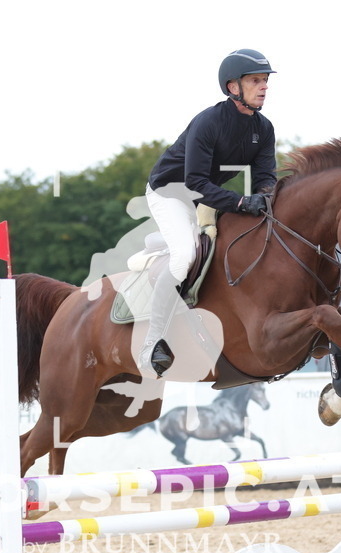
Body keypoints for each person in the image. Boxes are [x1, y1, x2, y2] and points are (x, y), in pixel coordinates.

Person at [140, 48, 278, 377]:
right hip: (170, 191)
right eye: (256, 81)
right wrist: (243, 203)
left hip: (204, 197)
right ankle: (151, 343)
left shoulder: (264, 129)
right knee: (185, 255)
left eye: (265, 81)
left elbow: (265, 181)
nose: (264, 87)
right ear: (233, 88)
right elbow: (195, 181)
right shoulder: (208, 122)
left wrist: (267, 201)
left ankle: (166, 239)